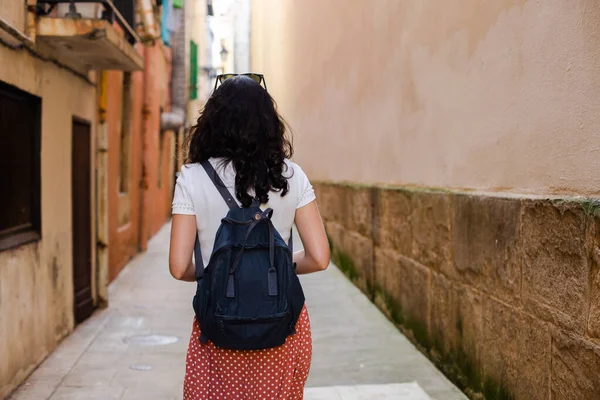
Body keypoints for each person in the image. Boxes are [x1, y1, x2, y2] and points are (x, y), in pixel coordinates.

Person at [168, 73, 330, 399]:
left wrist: (218, 272)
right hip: (282, 324)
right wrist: (276, 265)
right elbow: (320, 258)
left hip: (220, 326)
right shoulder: (292, 176)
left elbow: (178, 266)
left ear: (212, 121)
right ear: (268, 122)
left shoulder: (192, 177)